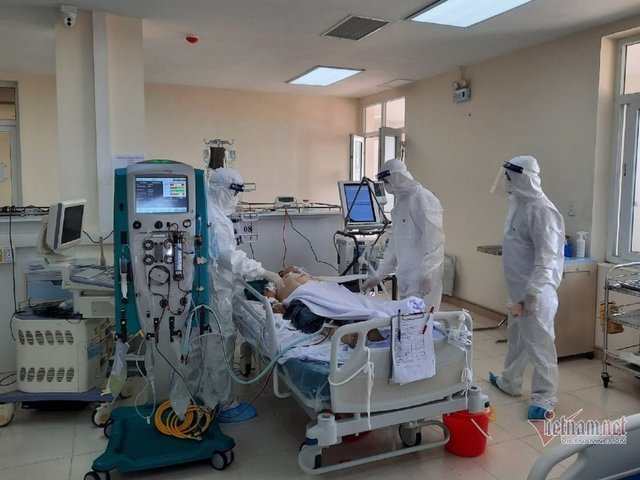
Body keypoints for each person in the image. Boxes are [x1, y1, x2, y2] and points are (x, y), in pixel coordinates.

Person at [488, 155, 565, 421]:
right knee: (517, 340)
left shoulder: (542, 210)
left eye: (509, 176)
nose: (505, 180)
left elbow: (548, 257)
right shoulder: (518, 204)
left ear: (523, 178)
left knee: (541, 347)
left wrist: (533, 293)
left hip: (535, 295)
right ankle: (510, 381)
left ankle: (545, 397)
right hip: (518, 294)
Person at [207, 166, 284, 423]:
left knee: (211, 345)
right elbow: (229, 257)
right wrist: (263, 271)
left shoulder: (212, 211)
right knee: (221, 344)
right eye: (234, 192)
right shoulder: (215, 219)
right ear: (221, 190)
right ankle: (224, 405)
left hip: (219, 287)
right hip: (216, 290)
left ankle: (208, 396)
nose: (236, 198)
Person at [361, 158, 445, 312]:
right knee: (407, 322)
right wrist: (379, 276)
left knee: (422, 323)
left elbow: (434, 241)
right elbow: (395, 246)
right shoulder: (401, 205)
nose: (386, 186)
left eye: (386, 181)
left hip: (423, 279)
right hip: (406, 278)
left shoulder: (423, 199)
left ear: (397, 177)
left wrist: (428, 274)